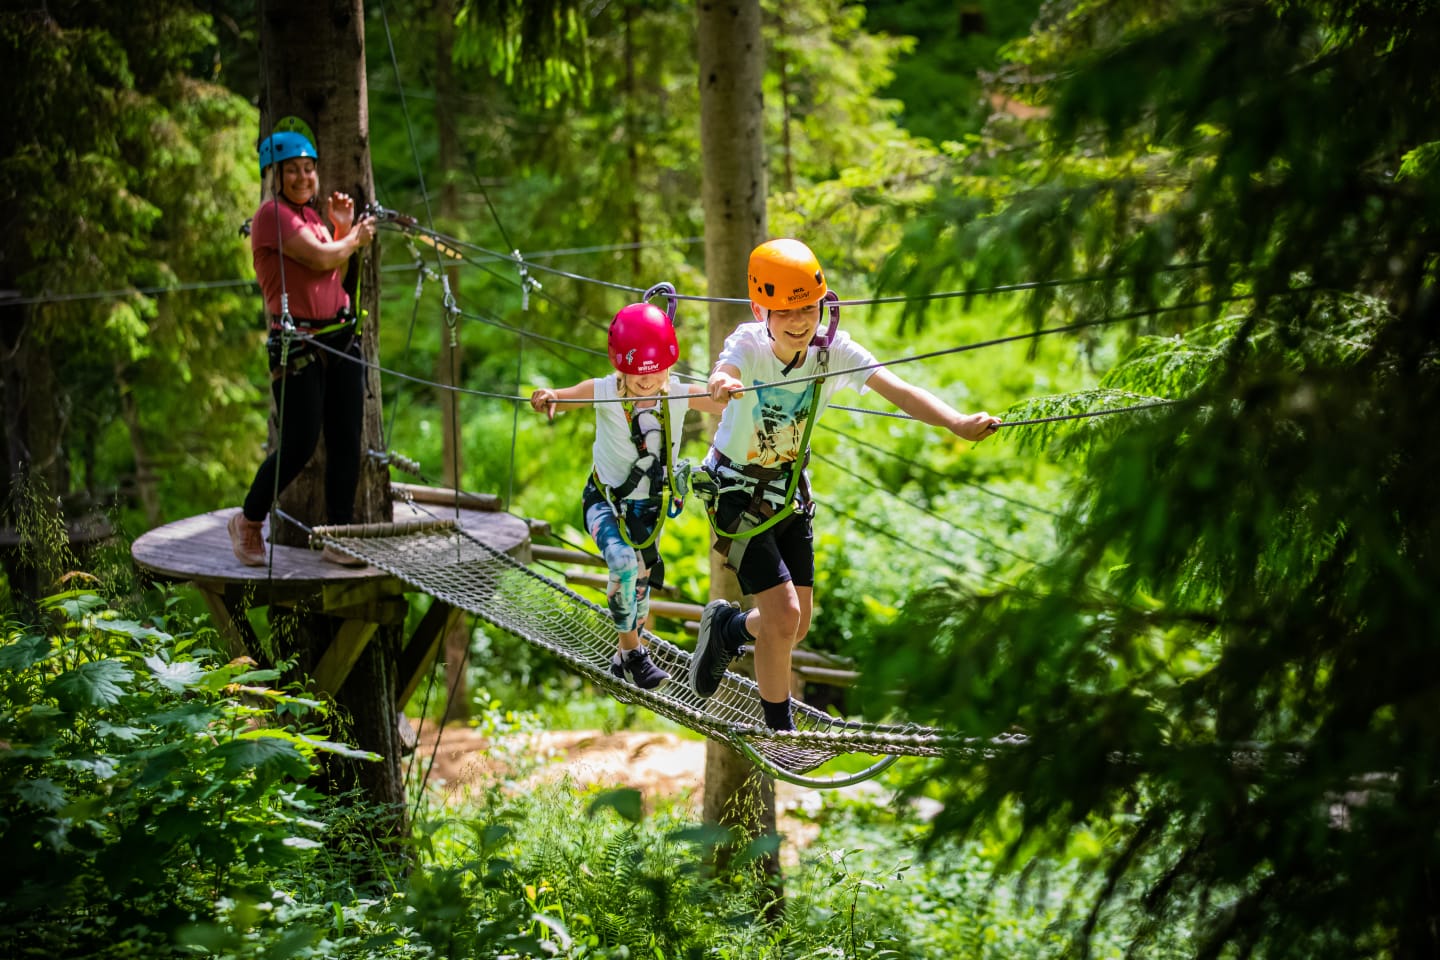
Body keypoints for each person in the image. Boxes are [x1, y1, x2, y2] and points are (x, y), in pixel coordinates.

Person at [689, 238, 1001, 730]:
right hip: (736, 493)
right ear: (759, 309)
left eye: (808, 308)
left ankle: (728, 628)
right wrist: (721, 385)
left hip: (789, 492)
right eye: (785, 311)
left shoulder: (833, 352)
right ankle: (780, 730)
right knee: (783, 614)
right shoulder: (748, 346)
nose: (799, 322)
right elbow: (722, 373)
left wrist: (956, 422)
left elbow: (898, 390)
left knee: (797, 626)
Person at [530, 301, 723, 689]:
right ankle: (635, 655)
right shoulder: (605, 391)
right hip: (604, 501)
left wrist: (731, 386)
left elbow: (720, 399)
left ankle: (621, 659)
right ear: (621, 367)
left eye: (653, 374)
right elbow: (567, 397)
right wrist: (550, 396)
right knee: (622, 563)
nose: (645, 382)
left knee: (640, 586)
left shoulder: (678, 394)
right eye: (635, 374)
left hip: (647, 511)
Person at [227, 129, 377, 567]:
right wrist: (354, 237)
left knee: (348, 439)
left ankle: (339, 534)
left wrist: (343, 229)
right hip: (298, 343)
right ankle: (249, 520)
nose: (302, 177)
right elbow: (320, 258)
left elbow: (334, 264)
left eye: (308, 169)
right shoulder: (271, 215)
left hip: (341, 336)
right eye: (292, 170)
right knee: (299, 441)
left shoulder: (311, 217)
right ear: (274, 175)